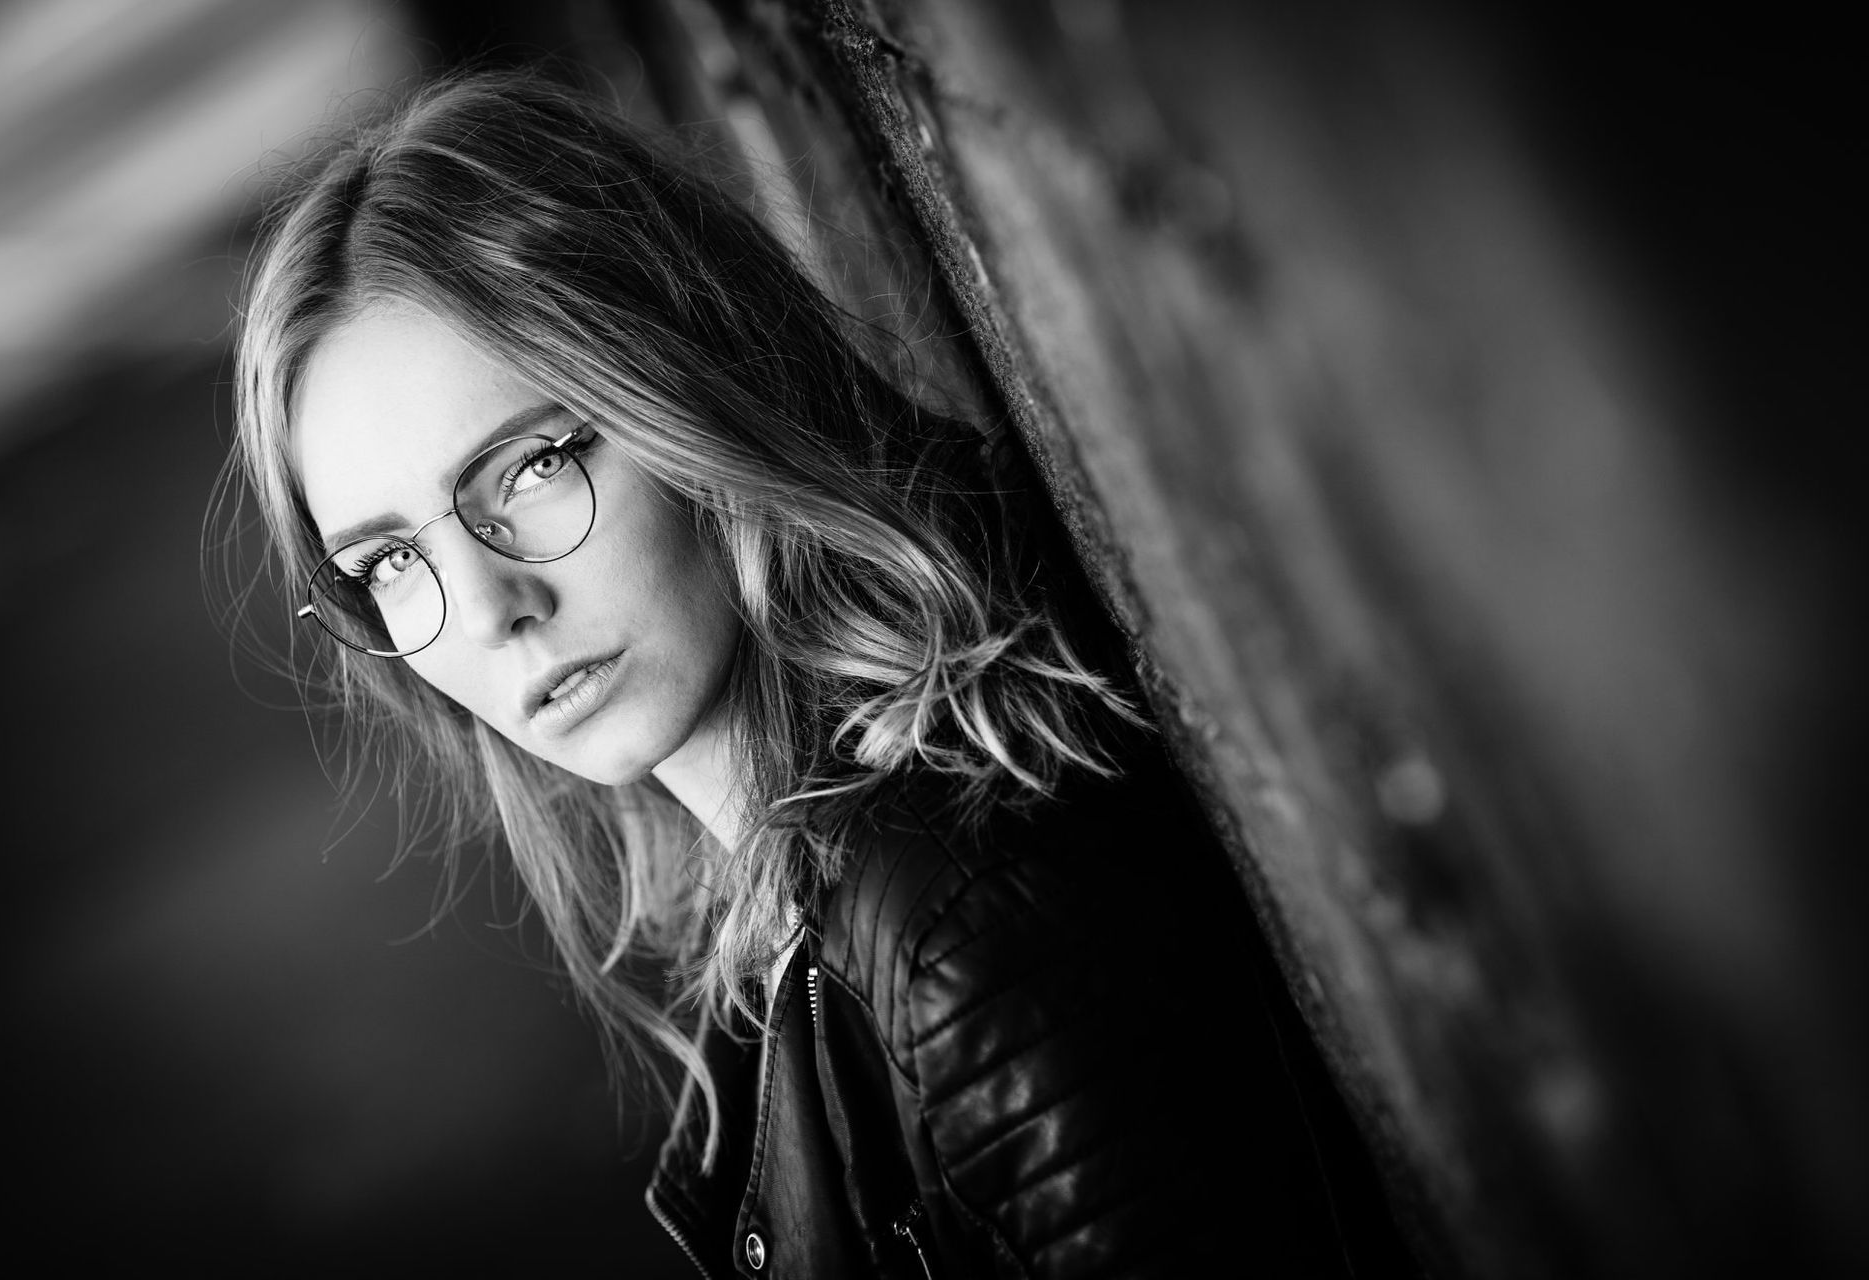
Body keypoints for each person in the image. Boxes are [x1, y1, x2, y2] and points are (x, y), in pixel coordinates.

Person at [224, 68, 1415, 1277]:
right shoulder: (789, 934)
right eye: (388, 560)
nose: (487, 609)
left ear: (687, 378)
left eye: (530, 468)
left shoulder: (961, 933)